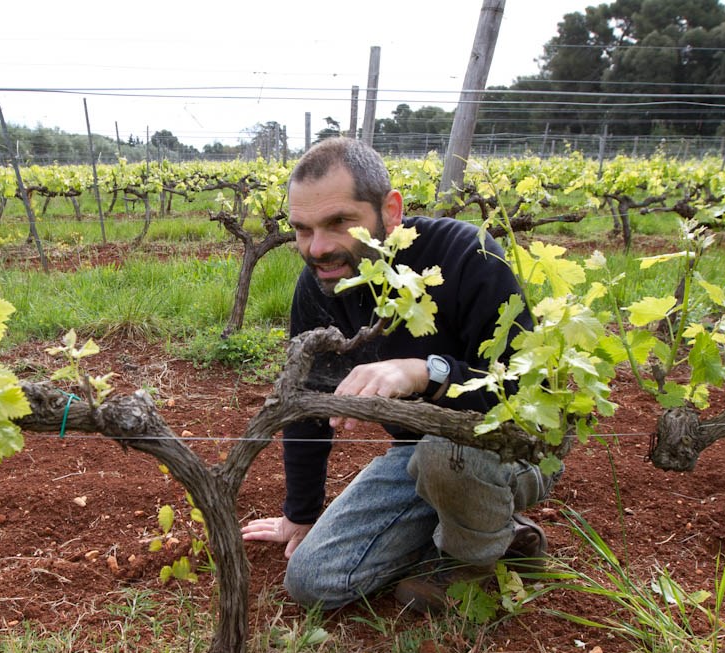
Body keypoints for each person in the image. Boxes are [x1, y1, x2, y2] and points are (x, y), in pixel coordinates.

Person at [240, 137, 560, 613]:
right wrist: (300, 514)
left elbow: (527, 393)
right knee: (312, 580)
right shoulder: (321, 282)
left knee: (445, 454)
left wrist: (425, 372)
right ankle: (500, 533)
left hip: (512, 447)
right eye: (302, 230)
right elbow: (305, 402)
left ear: (390, 211)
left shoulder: (466, 254)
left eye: (338, 223)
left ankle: (468, 562)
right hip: (417, 455)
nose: (318, 248)